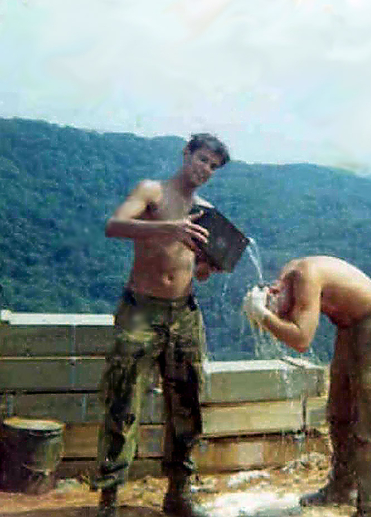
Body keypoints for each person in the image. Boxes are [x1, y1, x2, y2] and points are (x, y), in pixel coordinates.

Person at [92, 133, 230, 517]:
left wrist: (210, 265)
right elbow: (114, 225)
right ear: (186, 154)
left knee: (186, 405)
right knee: (123, 401)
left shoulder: (206, 211)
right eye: (202, 160)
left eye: (213, 167)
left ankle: (179, 493)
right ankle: (109, 498)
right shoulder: (152, 191)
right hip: (140, 310)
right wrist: (169, 227)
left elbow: (198, 271)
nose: (205, 170)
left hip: (183, 313)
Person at [243, 256, 371, 517]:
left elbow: (301, 340)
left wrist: (263, 315)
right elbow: (294, 325)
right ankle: (341, 488)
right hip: (349, 329)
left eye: (279, 310)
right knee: (339, 415)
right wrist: (270, 316)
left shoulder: (305, 277)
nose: (284, 315)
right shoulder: (289, 279)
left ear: (275, 292)